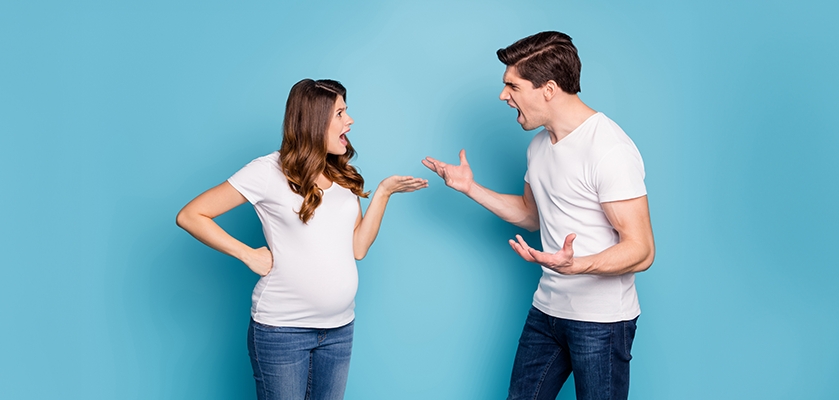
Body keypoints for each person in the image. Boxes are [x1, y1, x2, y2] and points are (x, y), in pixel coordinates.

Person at [422, 31, 655, 400]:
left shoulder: (609, 148)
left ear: (548, 89)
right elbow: (533, 214)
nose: (503, 95)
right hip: (547, 309)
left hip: (601, 321)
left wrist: (578, 266)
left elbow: (641, 249)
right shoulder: (539, 145)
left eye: (512, 85)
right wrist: (471, 188)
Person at [176, 79, 427, 400]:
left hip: (339, 329)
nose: (349, 121)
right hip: (282, 331)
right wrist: (247, 254)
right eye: (340, 113)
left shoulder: (341, 172)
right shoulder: (268, 171)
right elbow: (191, 215)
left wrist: (384, 192)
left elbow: (358, 248)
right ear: (314, 121)